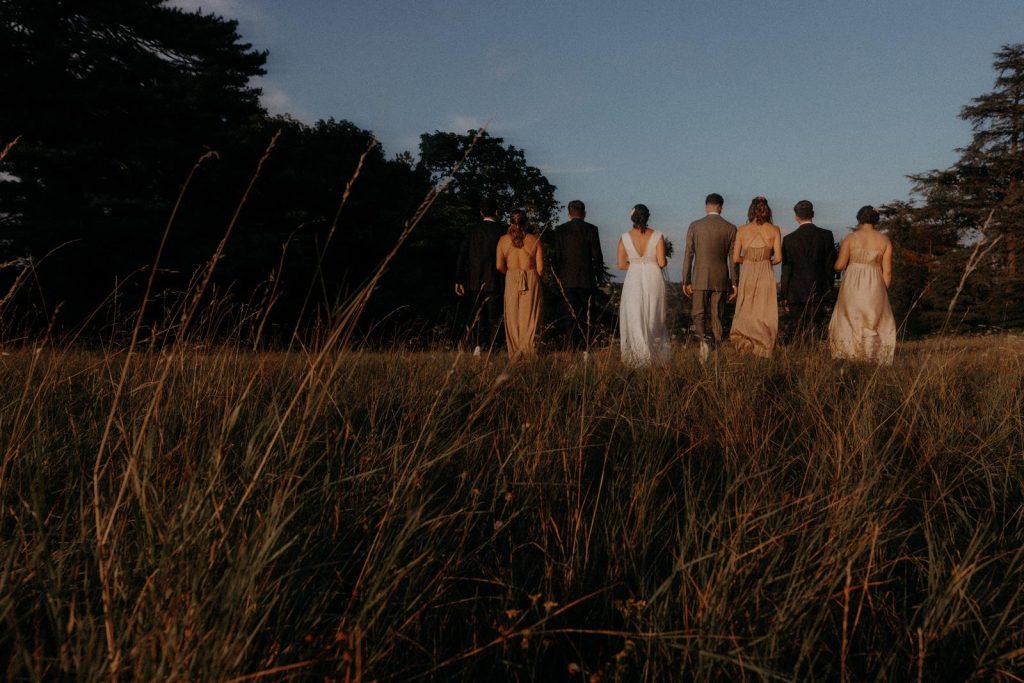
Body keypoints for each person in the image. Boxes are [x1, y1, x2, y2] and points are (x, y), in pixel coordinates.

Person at [828, 206, 897, 363]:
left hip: (853, 281)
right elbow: (887, 272)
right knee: (874, 318)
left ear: (859, 219)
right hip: (875, 283)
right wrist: (883, 290)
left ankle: (849, 354)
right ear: (876, 220)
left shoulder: (850, 238)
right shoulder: (885, 240)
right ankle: (873, 356)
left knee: (850, 317)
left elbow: (839, 265)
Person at [682, 193, 737, 360]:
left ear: (706, 206)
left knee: (698, 313)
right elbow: (733, 260)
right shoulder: (731, 228)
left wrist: (686, 280)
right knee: (717, 314)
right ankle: (717, 346)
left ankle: (702, 343)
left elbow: (689, 254)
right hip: (721, 277)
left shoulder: (695, 226)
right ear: (721, 207)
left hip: (699, 276)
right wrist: (735, 282)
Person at [617, 204, 670, 367]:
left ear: (632, 217)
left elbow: (620, 265)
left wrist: (635, 265)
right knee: (653, 315)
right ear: (648, 217)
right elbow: (661, 262)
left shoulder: (624, 237)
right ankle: (655, 356)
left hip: (634, 278)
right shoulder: (658, 235)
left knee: (635, 316)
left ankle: (638, 357)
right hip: (653, 276)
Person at [729, 196, 782, 357]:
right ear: (767, 211)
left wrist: (751, 260)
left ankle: (746, 344)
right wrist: (765, 261)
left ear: (751, 211)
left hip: (748, 272)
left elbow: (736, 258)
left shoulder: (742, 230)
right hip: (765, 271)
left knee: (747, 308)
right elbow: (778, 258)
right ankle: (764, 346)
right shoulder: (774, 230)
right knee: (765, 309)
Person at [780, 200, 837, 343]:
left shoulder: (789, 239)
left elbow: (786, 269)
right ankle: (814, 357)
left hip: (795, 291)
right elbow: (830, 266)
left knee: (799, 329)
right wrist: (830, 289)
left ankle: (801, 356)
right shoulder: (826, 235)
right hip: (820, 289)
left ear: (796, 217)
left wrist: (784, 294)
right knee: (816, 329)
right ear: (813, 214)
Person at [455, 198, 506, 356]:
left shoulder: (472, 230)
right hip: (496, 278)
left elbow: (462, 255)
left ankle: (477, 345)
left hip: (474, 279)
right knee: (494, 316)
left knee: (477, 314)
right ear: (496, 212)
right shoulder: (502, 231)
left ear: (481, 212)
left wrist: (458, 279)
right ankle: (494, 347)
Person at [553, 200, 605, 350]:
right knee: (587, 314)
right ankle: (585, 346)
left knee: (570, 315)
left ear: (569, 214)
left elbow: (557, 256)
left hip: (567, 279)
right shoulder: (592, 229)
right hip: (587, 279)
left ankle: (571, 346)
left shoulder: (560, 230)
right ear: (584, 213)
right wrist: (599, 277)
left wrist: (559, 277)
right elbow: (597, 255)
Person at [497, 209, 544, 356]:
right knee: (530, 317)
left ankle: (515, 352)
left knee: (512, 316)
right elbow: (541, 269)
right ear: (526, 222)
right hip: (530, 276)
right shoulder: (534, 239)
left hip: (511, 277)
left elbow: (499, 266)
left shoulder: (503, 240)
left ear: (510, 222)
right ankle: (529, 351)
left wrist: (511, 275)